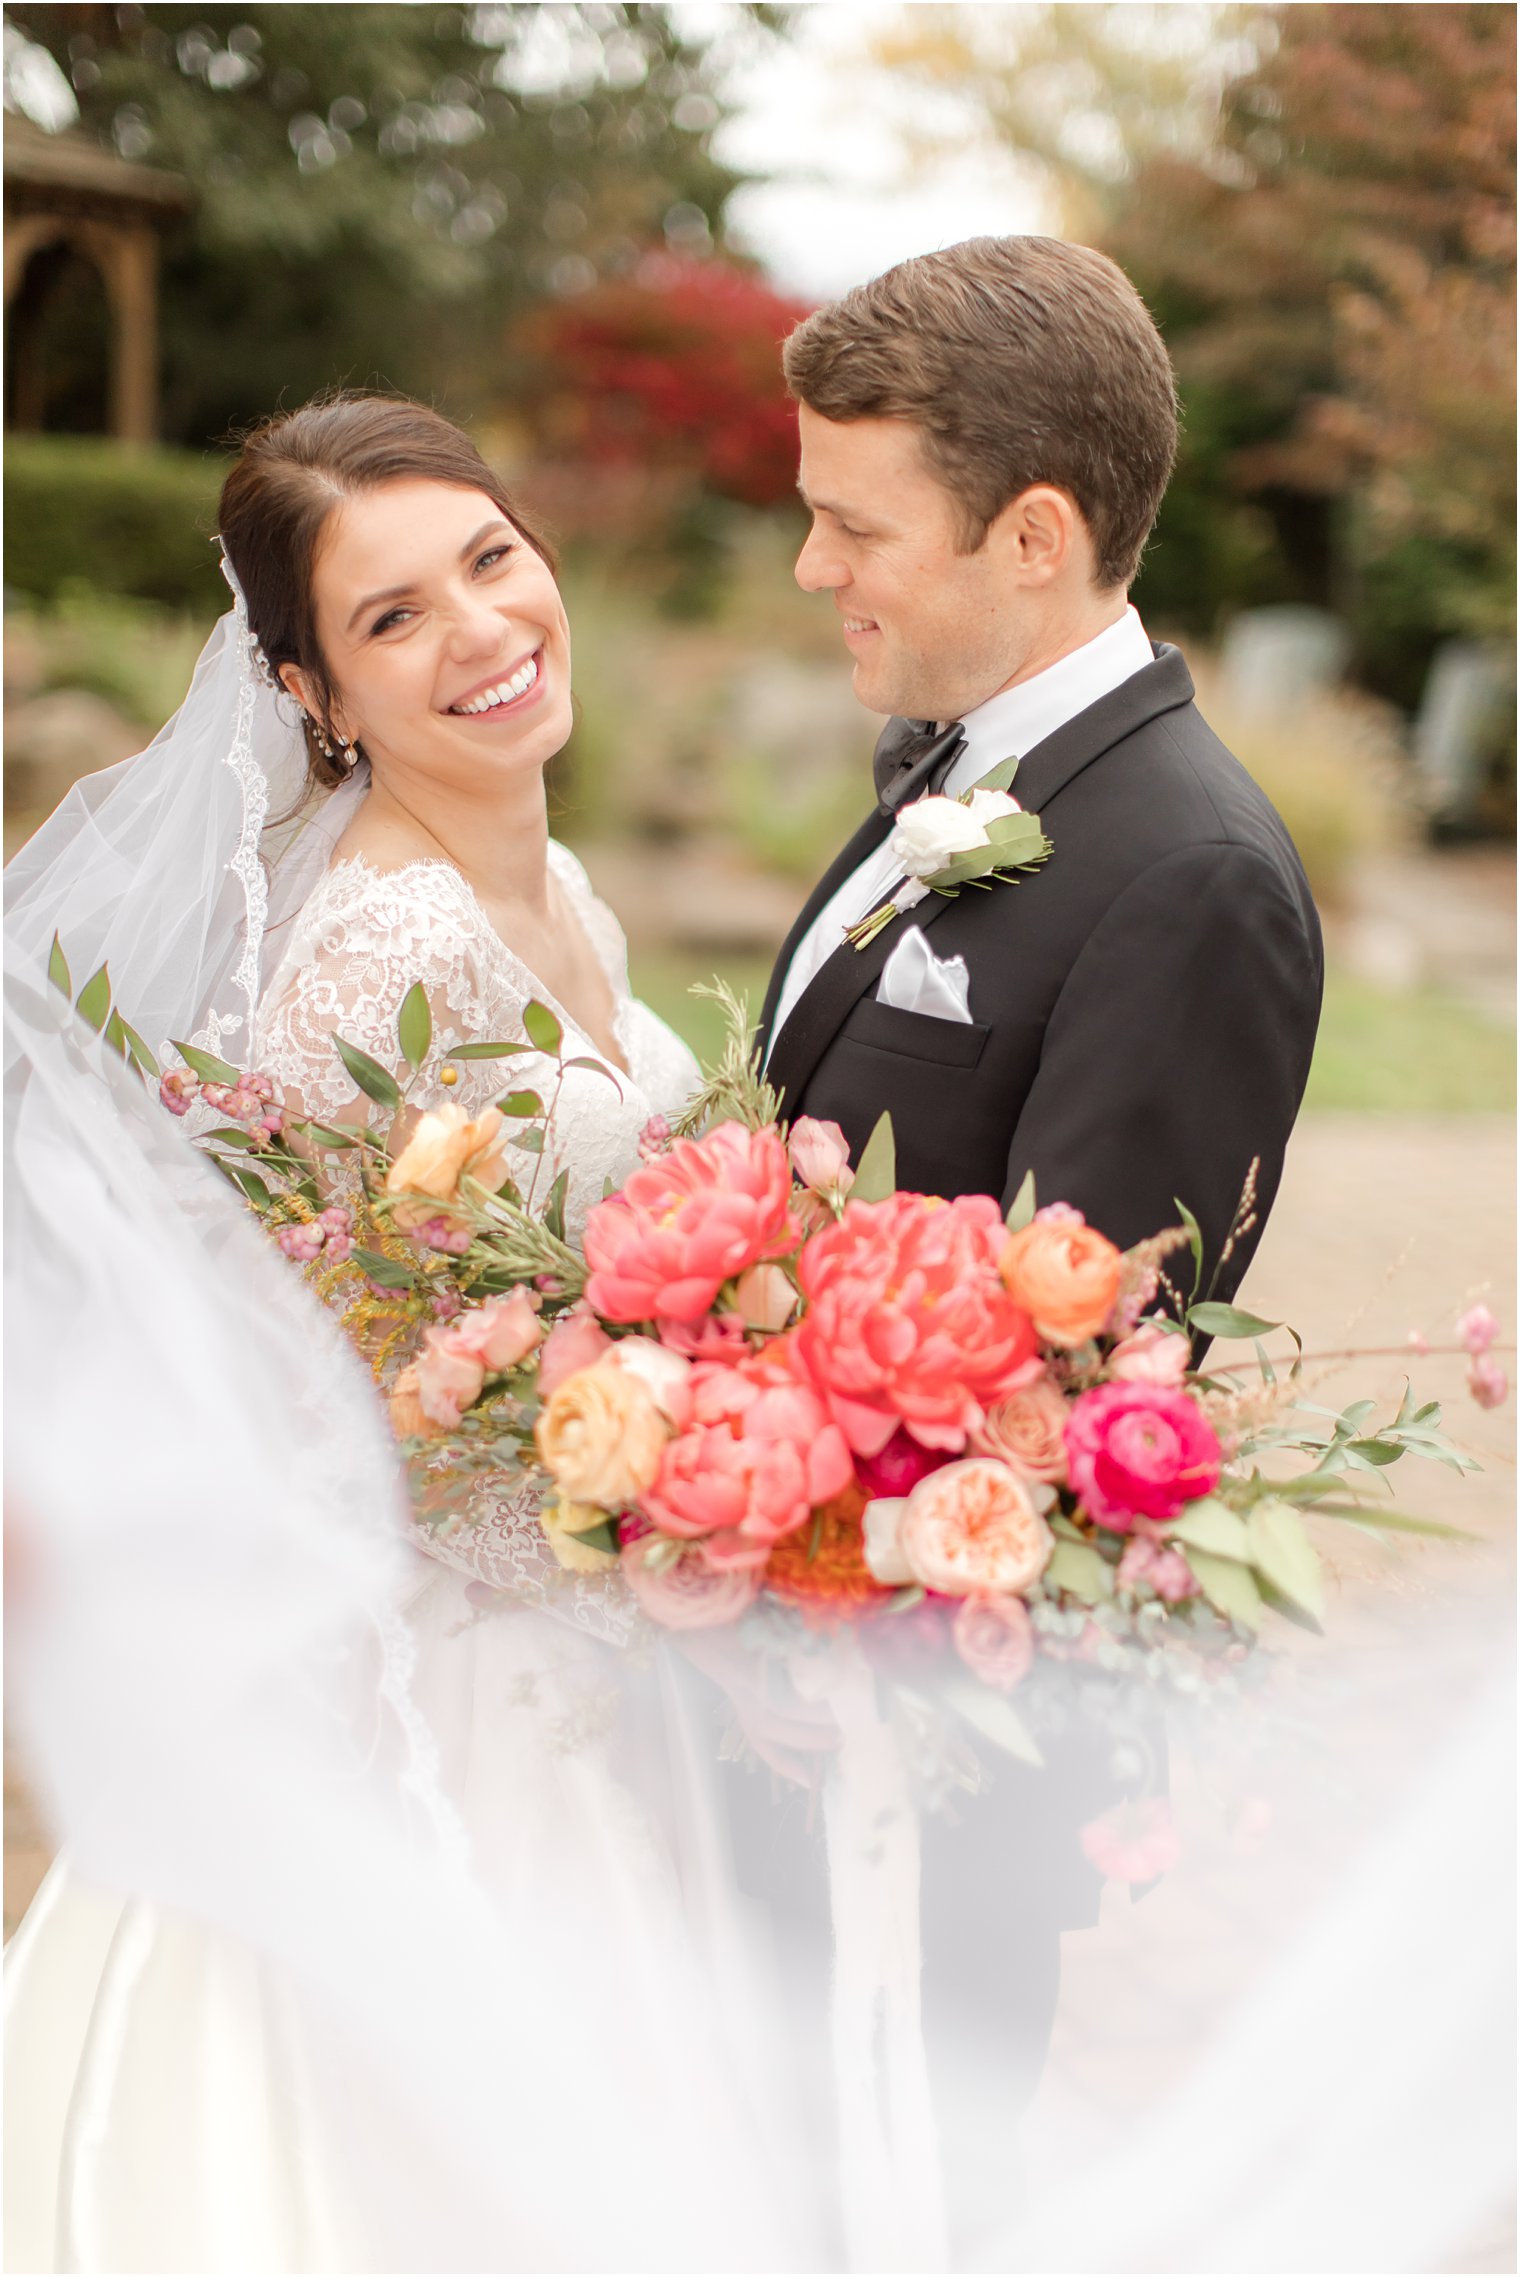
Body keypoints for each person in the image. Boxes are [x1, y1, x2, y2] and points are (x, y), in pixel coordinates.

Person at [760, 234, 1324, 1306]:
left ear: (1031, 540)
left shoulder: (1197, 881)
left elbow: (1079, 1375)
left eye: (854, 527)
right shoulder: (953, 748)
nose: (811, 564)